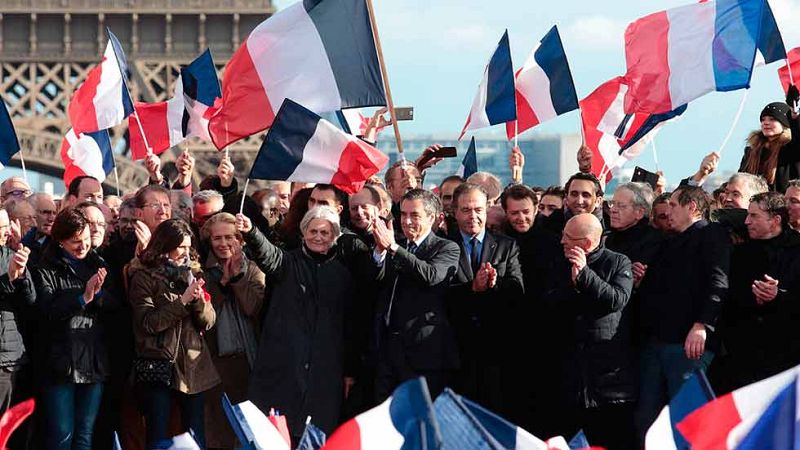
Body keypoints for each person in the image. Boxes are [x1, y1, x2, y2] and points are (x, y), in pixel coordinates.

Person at [238, 206, 357, 439]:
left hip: (324, 375)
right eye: (313, 231)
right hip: (283, 369)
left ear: (334, 237)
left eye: (325, 232)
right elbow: (267, 254)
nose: (318, 237)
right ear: (304, 232)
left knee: (316, 438)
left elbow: (349, 327)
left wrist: (349, 371)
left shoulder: (342, 275)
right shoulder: (287, 263)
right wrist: (251, 231)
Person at [636, 186, 731, 440]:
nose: (669, 211)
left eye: (675, 205)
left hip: (688, 344)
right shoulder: (668, 240)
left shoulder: (711, 234)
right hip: (657, 341)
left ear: (692, 208)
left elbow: (717, 283)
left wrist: (702, 325)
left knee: (686, 421)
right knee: (647, 419)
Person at [543, 213, 635, 449]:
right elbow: (549, 301)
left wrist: (585, 276)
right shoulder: (557, 262)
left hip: (606, 375)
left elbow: (616, 299)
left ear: (586, 243)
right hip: (569, 370)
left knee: (608, 437)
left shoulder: (618, 262)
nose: (562, 241)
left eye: (568, 237)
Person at [127, 219, 219, 448]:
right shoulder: (143, 276)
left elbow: (208, 322)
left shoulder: (193, 273)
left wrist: (198, 301)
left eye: (189, 247)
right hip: (159, 366)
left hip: (191, 366)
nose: (186, 253)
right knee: (158, 436)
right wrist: (183, 301)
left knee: (195, 435)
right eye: (181, 247)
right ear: (166, 245)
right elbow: (148, 323)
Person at [34, 208, 116, 450]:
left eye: (87, 241)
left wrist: (98, 295)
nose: (82, 247)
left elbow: (117, 306)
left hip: (93, 360)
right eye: (75, 242)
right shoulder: (45, 268)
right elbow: (47, 309)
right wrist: (83, 296)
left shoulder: (98, 263)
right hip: (61, 362)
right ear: (60, 241)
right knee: (62, 433)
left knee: (84, 434)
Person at [372, 189, 460, 400]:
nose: (407, 221)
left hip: (424, 354)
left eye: (415, 215)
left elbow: (430, 275)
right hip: (387, 351)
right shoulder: (397, 246)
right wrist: (379, 253)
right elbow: (376, 283)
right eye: (403, 214)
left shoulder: (446, 247)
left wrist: (393, 248)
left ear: (431, 218)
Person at [447, 183, 523, 415]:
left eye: (478, 209)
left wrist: (494, 283)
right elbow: (438, 292)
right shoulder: (444, 245)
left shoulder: (506, 245)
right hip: (454, 350)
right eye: (466, 210)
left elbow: (517, 290)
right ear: (455, 212)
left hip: (495, 350)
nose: (473, 216)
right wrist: (472, 288)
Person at [719, 192, 800, 392]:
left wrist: (778, 296)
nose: (747, 221)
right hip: (741, 356)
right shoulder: (741, 253)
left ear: (775, 220)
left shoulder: (797, 251)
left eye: (754, 216)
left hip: (786, 357)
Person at [200, 213, 265, 449]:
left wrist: (237, 277)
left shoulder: (255, 269)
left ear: (241, 240)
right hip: (216, 363)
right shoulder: (200, 272)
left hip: (250, 361)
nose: (223, 243)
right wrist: (222, 283)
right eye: (217, 238)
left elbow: (252, 307)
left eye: (230, 237)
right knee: (220, 431)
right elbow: (203, 314)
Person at [0, 207, 34, 413]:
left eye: (6, 226)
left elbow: (30, 301)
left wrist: (21, 277)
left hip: (10, 358)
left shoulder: (11, 255)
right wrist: (9, 279)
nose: (6, 232)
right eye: (1, 227)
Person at [605, 183, 664, 287]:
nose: (612, 210)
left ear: (639, 212)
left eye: (621, 206)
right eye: (612, 203)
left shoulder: (655, 242)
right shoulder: (608, 238)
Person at [738, 95, 800, 192]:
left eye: (772, 119)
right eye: (763, 119)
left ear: (785, 124)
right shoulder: (751, 151)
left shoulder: (791, 149)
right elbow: (741, 178)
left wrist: (794, 115)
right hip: (753, 203)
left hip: (784, 203)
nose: (765, 123)